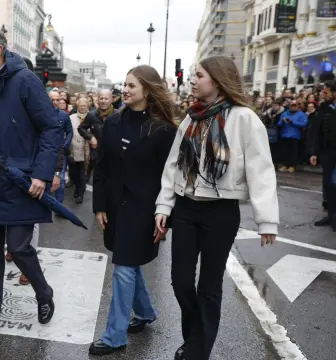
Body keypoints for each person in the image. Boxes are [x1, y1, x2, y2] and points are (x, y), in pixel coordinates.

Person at [154, 55, 278, 360]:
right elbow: (174, 167)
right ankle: (194, 336)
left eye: (199, 75)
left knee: (209, 287)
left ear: (218, 80)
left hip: (220, 212)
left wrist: (267, 221)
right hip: (185, 209)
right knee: (181, 281)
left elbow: (261, 170)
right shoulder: (190, 118)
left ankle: (198, 350)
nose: (193, 80)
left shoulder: (245, 118)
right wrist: (163, 206)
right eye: (194, 75)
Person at [0, 27, 61, 336]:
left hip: (21, 183)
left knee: (18, 248)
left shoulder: (25, 82)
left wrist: (43, 174)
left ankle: (44, 293)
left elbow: (51, 128)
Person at [89, 65, 176, 356]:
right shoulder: (113, 122)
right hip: (115, 207)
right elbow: (102, 168)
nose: (125, 90)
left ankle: (115, 336)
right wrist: (99, 205)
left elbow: (170, 177)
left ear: (147, 91)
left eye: (131, 86)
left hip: (143, 209)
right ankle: (146, 311)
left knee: (123, 267)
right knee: (128, 262)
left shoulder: (164, 130)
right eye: (124, 85)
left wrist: (166, 217)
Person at [308, 81, 336, 229]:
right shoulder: (324, 108)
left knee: (335, 183)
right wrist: (314, 153)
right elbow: (317, 132)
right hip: (327, 153)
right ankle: (331, 215)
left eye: (327, 92)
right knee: (328, 185)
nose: (324, 95)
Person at [276, 99, 307, 172]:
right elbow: (278, 124)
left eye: (294, 105)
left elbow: (304, 124)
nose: (293, 107)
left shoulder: (301, 114)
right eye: (291, 105)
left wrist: (293, 122)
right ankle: (284, 165)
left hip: (295, 136)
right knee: (284, 151)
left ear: (297, 106)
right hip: (285, 135)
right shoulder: (284, 113)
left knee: (293, 152)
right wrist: (283, 122)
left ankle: (292, 166)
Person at [68, 98, 90, 204]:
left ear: (88, 106)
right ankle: (77, 189)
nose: (82, 107)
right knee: (74, 173)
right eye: (80, 105)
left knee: (82, 174)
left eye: (84, 105)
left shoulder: (92, 118)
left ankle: (80, 194)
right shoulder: (71, 117)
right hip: (73, 151)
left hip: (86, 152)